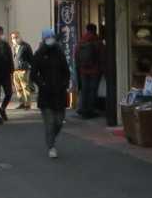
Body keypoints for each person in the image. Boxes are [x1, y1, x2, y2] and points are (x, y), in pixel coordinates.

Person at [30, 28, 73, 159]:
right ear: (43, 39)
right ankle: (51, 146)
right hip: (46, 94)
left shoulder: (59, 53)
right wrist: (42, 84)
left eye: (52, 37)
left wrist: (65, 84)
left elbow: (66, 71)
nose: (50, 40)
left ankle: (51, 138)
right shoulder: (39, 54)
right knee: (50, 122)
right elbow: (33, 74)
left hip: (59, 93)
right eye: (48, 37)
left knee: (59, 121)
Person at [75, 24, 106, 119]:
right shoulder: (97, 41)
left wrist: (79, 67)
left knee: (84, 90)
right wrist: (103, 69)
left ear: (87, 29)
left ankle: (83, 109)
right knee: (93, 91)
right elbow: (102, 56)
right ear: (95, 30)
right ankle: (90, 110)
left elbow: (76, 55)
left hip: (83, 70)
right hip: (95, 70)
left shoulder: (81, 41)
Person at [11, 31, 36, 111]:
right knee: (18, 88)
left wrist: (31, 68)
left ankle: (27, 104)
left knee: (25, 87)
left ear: (20, 37)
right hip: (15, 70)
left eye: (16, 37)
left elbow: (31, 58)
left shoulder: (26, 46)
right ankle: (21, 103)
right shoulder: (14, 47)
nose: (15, 39)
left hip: (23, 70)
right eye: (13, 38)